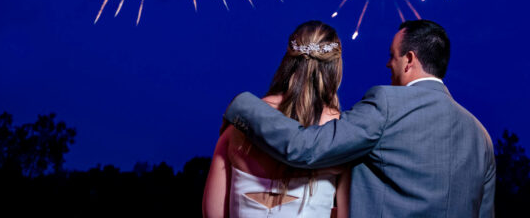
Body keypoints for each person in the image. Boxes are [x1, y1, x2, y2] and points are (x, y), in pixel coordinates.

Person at [224, 19, 495, 217]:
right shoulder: (481, 137)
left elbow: (304, 147)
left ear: (409, 60)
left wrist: (242, 105)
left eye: (392, 56)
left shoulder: (387, 105)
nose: (388, 64)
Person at [203, 20, 351, 218]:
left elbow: (212, 213)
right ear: (335, 68)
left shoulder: (239, 125)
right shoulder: (341, 134)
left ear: (288, 60)